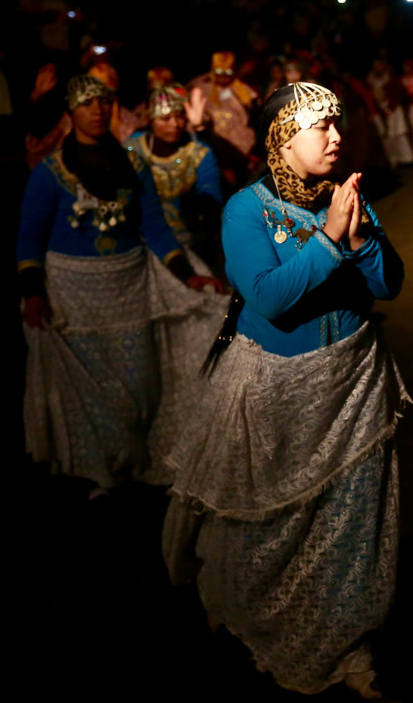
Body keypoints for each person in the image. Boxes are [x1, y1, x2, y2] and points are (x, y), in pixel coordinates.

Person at [163, 82, 408, 698]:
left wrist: (359, 241)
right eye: (319, 127)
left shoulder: (344, 195)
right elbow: (269, 296)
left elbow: (389, 284)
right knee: (276, 521)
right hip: (278, 387)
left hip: (353, 382)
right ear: (281, 137)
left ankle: (350, 643)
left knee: (354, 519)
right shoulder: (246, 209)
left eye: (336, 125)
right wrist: (329, 240)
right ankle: (253, 615)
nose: (335, 137)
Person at [17, 75, 223, 494]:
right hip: (74, 293)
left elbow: (155, 228)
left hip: (129, 287)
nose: (96, 111)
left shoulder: (132, 166)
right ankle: (103, 471)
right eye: (86, 104)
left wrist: (188, 275)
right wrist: (33, 290)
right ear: (70, 113)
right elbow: (29, 238)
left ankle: (136, 458)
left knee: (138, 384)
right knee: (94, 391)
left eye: (103, 103)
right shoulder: (49, 174)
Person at [124, 83, 223, 272]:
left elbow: (211, 196)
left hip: (191, 240)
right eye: (166, 118)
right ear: (151, 119)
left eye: (179, 116)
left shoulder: (198, 152)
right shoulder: (133, 149)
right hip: (142, 240)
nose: (175, 125)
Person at [189, 51, 259, 185]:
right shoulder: (201, 86)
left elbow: (255, 117)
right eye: (218, 72)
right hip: (212, 144)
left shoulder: (243, 90)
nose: (222, 77)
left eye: (226, 73)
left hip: (241, 150)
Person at [367, 58, 413, 167]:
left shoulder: (391, 79)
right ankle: (393, 159)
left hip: (393, 110)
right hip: (380, 111)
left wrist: (390, 108)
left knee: (399, 134)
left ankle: (407, 158)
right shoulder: (371, 80)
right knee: (387, 137)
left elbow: (397, 94)